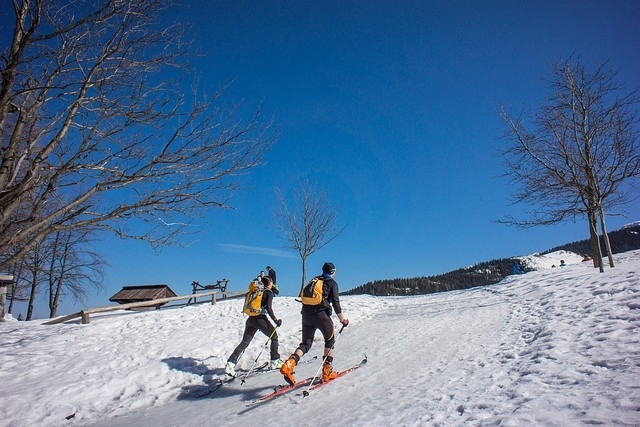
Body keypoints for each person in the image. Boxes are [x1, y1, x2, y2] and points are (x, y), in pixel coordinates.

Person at [280, 262, 349, 385]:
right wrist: (342, 319)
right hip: (321, 316)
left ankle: (289, 364)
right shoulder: (332, 283)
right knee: (330, 340)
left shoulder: (314, 280)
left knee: (306, 343)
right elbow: (336, 303)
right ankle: (327, 371)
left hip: (306, 315)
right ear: (333, 272)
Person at [224, 276, 283, 377]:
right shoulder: (268, 293)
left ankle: (230, 364)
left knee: (245, 342)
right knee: (274, 336)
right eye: (271, 282)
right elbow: (269, 308)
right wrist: (276, 320)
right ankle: (275, 360)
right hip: (260, 319)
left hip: (251, 319)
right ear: (269, 283)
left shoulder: (256, 292)